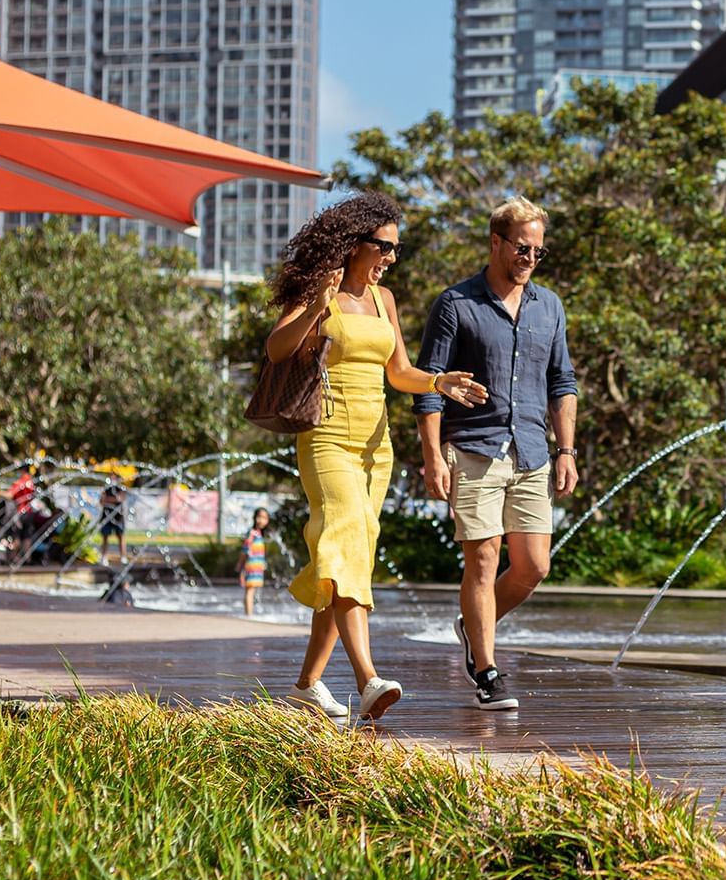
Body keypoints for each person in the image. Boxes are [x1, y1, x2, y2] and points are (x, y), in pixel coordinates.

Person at [268, 193, 485, 725]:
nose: (391, 255)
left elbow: (398, 372)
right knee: (344, 541)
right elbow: (277, 349)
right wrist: (316, 308)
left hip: (375, 445)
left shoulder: (384, 299)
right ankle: (367, 680)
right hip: (325, 437)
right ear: (354, 242)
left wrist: (440, 381)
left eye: (396, 246)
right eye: (384, 245)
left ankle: (306, 685)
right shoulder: (322, 290)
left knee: (348, 557)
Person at [416, 196, 579, 712]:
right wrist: (433, 455)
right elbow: (427, 384)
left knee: (533, 566)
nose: (530, 257)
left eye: (538, 250)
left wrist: (566, 450)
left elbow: (562, 381)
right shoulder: (456, 303)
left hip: (532, 449)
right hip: (474, 449)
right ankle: (486, 669)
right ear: (496, 243)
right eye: (522, 247)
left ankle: (471, 624)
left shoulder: (549, 306)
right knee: (483, 560)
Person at [240, 506, 271, 617]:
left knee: (251, 591)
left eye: (264, 518)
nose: (261, 520)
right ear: (254, 518)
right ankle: (248, 615)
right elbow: (245, 549)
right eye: (259, 517)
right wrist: (241, 565)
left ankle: (249, 612)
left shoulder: (259, 534)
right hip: (251, 566)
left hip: (257, 567)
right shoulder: (252, 533)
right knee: (250, 591)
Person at [98, 480, 129, 565]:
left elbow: (120, 498)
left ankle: (123, 557)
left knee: (121, 536)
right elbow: (102, 501)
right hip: (106, 516)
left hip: (118, 516)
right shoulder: (106, 487)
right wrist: (114, 499)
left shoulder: (120, 487)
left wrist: (108, 499)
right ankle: (104, 556)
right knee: (105, 537)